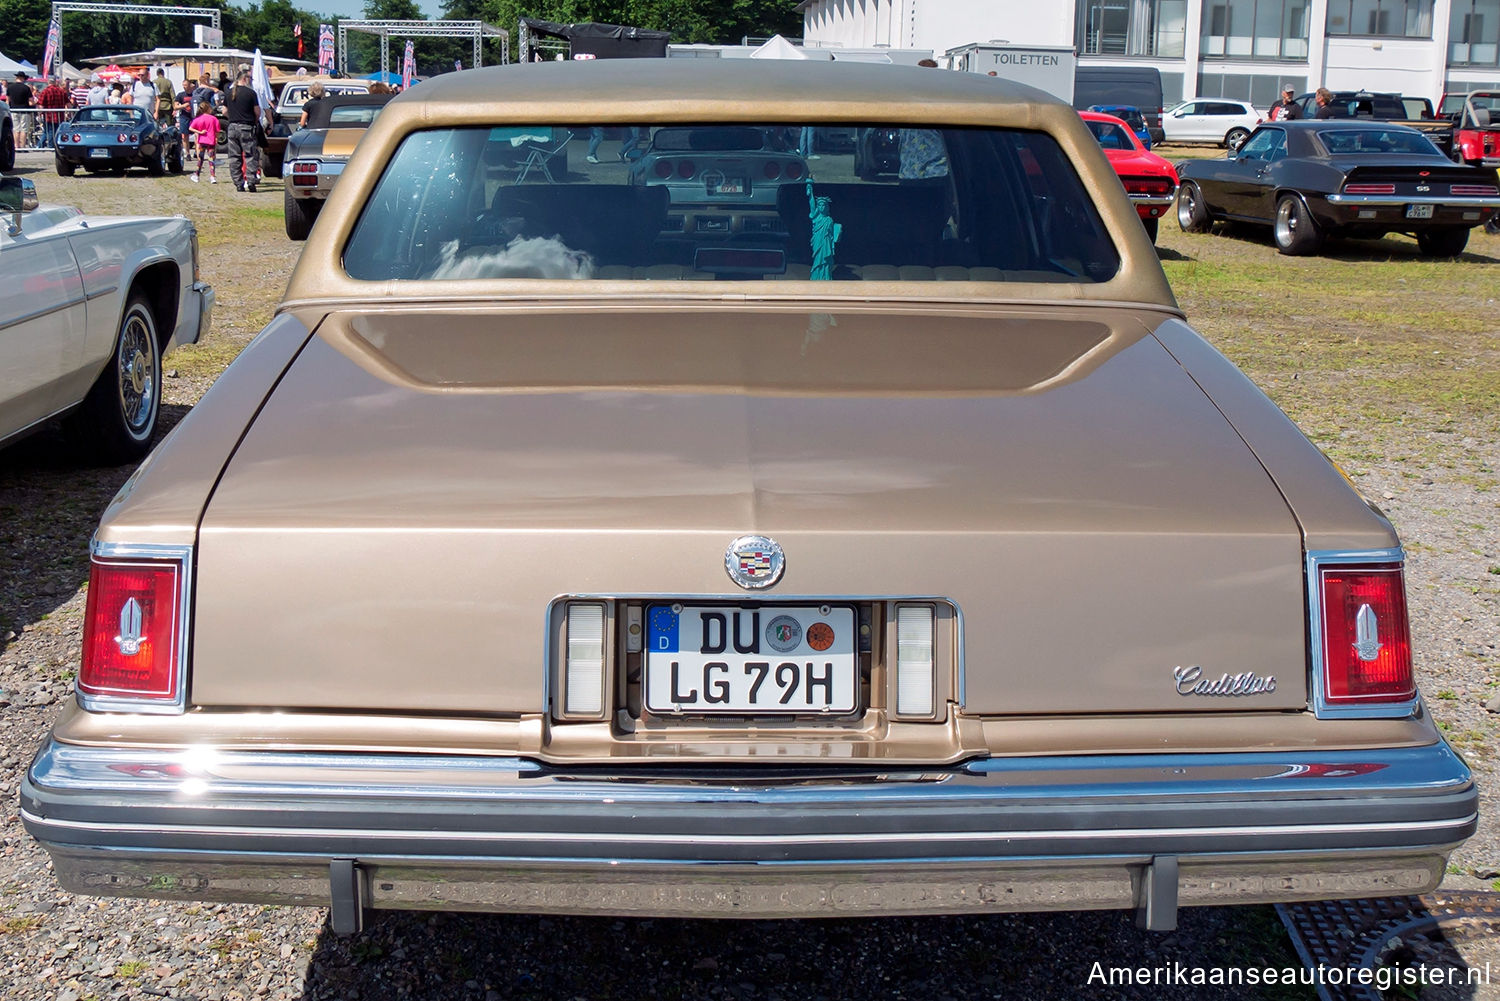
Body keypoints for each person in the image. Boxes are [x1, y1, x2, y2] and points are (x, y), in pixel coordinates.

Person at [224, 69, 266, 191]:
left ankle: (238, 183)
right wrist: (254, 120)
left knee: (234, 156)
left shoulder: (229, 93)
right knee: (250, 155)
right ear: (244, 79)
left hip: (232, 127)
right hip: (247, 126)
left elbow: (224, 111)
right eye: (250, 78)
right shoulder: (250, 93)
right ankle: (251, 181)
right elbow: (257, 111)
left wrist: (232, 117)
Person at [189, 100, 220, 183]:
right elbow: (217, 131)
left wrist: (199, 132)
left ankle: (197, 175)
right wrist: (216, 138)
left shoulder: (198, 119)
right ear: (208, 109)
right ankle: (212, 176)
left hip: (202, 141)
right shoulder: (214, 119)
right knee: (211, 159)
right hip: (211, 141)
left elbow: (191, 128)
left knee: (200, 159)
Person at [36, 76, 71, 149]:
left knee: (49, 131)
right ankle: (41, 146)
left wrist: (39, 114)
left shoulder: (45, 91)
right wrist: (70, 112)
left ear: (48, 82)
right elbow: (68, 104)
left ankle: (50, 146)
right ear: (55, 82)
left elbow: (41, 104)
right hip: (59, 115)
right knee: (55, 131)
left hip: (48, 115)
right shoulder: (61, 91)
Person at [6, 72, 35, 148]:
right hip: (25, 110)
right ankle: (22, 146)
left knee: (15, 129)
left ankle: (16, 146)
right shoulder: (26, 88)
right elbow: (31, 101)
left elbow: (7, 100)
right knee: (24, 129)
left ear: (17, 78)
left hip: (13, 110)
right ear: (23, 78)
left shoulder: (10, 87)